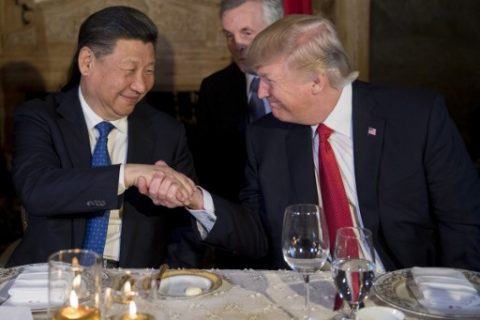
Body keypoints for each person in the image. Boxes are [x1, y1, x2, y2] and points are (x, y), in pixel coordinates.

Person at [154, 14, 480, 271]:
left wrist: (452, 301)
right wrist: (196, 199)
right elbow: (258, 234)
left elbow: (463, 221)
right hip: (310, 291)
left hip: (403, 291)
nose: (261, 92)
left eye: (268, 80)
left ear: (316, 81)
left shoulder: (417, 118)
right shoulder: (266, 136)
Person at [7, 6, 198, 268]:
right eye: (130, 70)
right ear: (87, 62)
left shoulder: (167, 132)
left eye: (149, 70)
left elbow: (187, 222)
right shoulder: (40, 117)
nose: (141, 85)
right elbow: (37, 189)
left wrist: (177, 278)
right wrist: (125, 174)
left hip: (132, 283)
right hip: (49, 277)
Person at [193, 0, 283, 202]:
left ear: (275, 30)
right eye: (229, 35)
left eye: (247, 32)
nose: (237, 45)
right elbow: (208, 167)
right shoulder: (214, 88)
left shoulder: (301, 81)